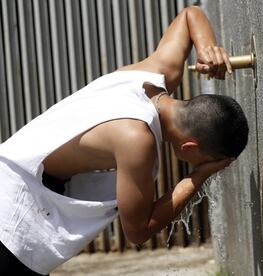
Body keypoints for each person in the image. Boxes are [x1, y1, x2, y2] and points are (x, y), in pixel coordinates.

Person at [0, 6, 248, 275]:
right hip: (14, 209)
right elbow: (138, 230)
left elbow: (190, 14)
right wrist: (198, 176)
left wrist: (207, 49)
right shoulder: (137, 139)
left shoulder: (153, 74)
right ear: (190, 146)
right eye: (210, 160)